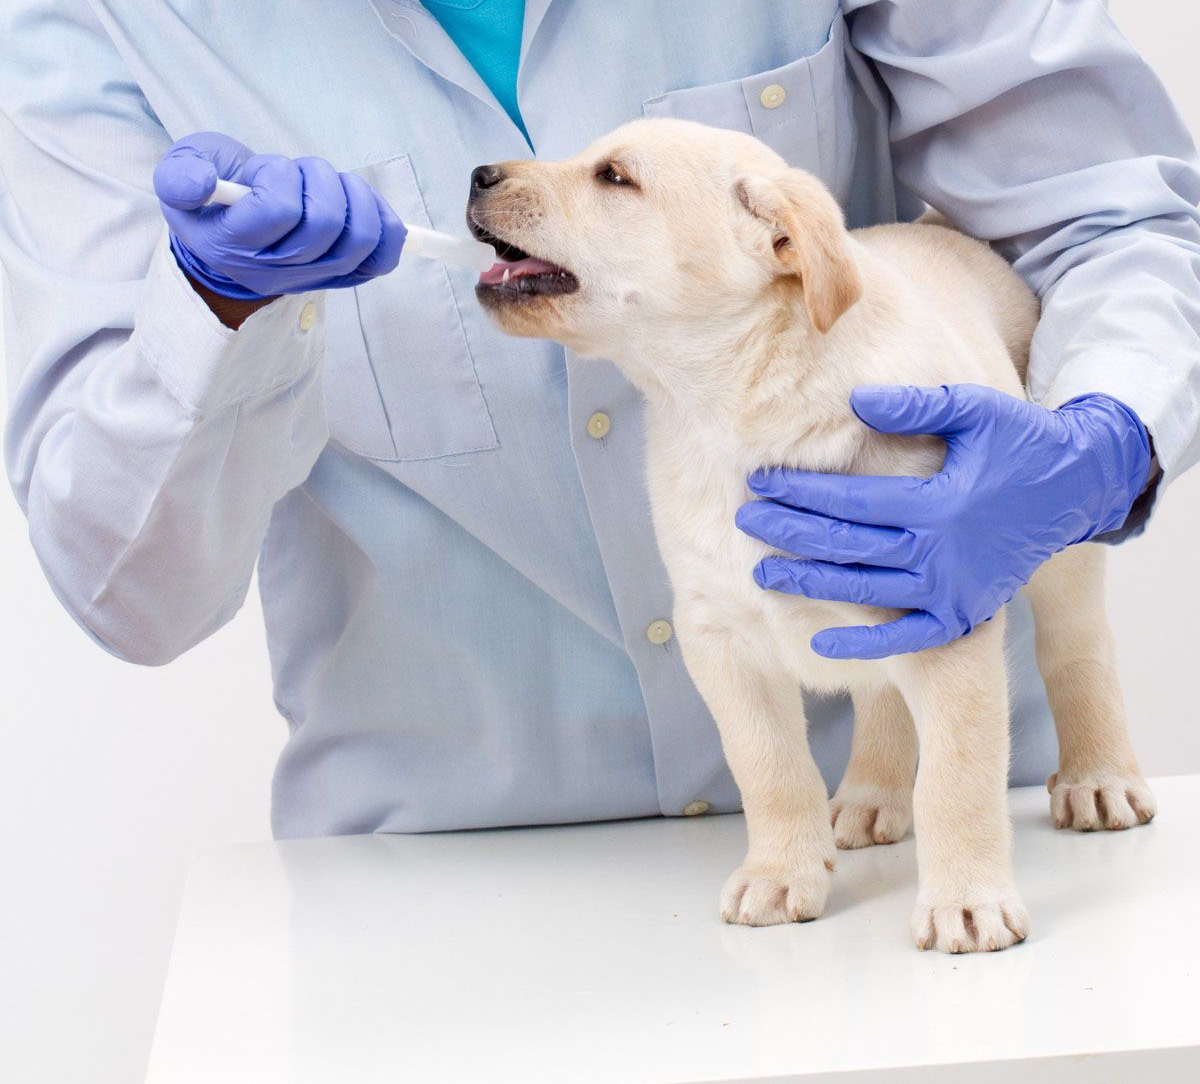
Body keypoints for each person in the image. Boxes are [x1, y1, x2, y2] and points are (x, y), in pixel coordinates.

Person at [2, 1, 1197, 838]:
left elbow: (1115, 213)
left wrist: (1101, 443)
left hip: (928, 838)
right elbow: (127, 587)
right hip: (449, 883)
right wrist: (211, 312)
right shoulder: (105, 23)